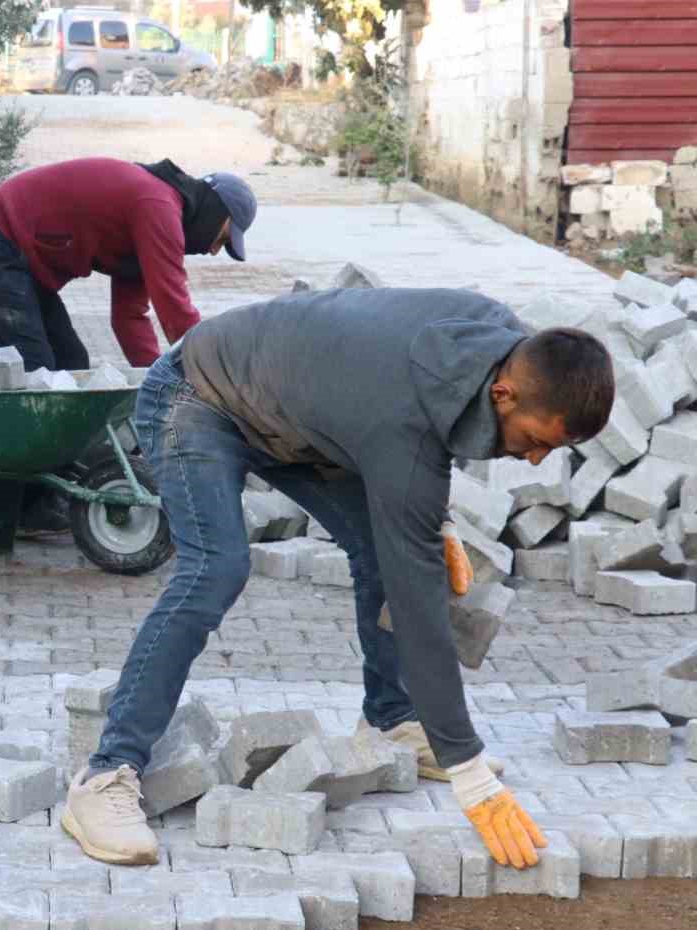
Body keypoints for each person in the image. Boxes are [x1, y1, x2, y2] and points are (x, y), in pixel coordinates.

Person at [59, 287, 615, 871]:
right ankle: (105, 775)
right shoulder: (401, 416)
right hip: (199, 395)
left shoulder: (502, 337)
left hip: (301, 419)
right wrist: (469, 771)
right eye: (535, 442)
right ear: (503, 394)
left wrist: (431, 518)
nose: (533, 461)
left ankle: (393, 719)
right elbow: (418, 599)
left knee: (386, 549)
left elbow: (423, 422)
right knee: (215, 568)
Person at [0, 156, 257, 532]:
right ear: (213, 211)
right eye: (222, 238)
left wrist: (157, 389)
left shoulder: (155, 212)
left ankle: (36, 500)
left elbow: (130, 320)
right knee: (36, 379)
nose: (212, 250)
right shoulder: (157, 206)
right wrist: (214, 381)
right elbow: (175, 310)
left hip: (12, 258)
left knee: (71, 363)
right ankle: (6, 511)